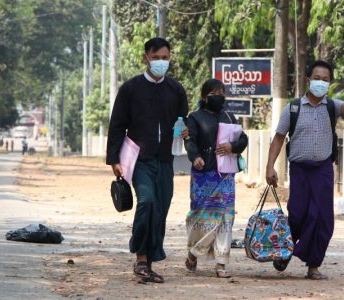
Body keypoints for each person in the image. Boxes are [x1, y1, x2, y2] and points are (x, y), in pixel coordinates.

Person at [266, 60, 344, 280]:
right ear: (308, 80)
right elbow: (278, 138)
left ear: (330, 83)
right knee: (297, 215)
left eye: (325, 80)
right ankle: (285, 251)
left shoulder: (332, 106)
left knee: (322, 218)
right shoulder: (292, 108)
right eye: (317, 78)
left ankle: (313, 265)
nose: (320, 82)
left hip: (323, 170)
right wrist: (270, 166)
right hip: (300, 170)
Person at [106, 37, 189, 283]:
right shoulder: (130, 89)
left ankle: (149, 262)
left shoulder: (176, 89)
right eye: (156, 58)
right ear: (146, 58)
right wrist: (114, 159)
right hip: (138, 159)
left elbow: (183, 122)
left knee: (161, 206)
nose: (161, 62)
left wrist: (186, 132)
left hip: (165, 160)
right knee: (147, 201)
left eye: (165, 58)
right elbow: (117, 125)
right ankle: (141, 257)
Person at [184, 79, 248, 278]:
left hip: (225, 177)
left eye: (221, 91)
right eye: (214, 92)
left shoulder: (229, 116)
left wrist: (233, 147)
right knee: (201, 217)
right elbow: (190, 141)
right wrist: (195, 157)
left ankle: (221, 264)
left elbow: (242, 138)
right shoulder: (194, 117)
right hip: (203, 177)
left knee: (225, 219)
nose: (219, 95)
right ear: (204, 96)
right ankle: (193, 252)